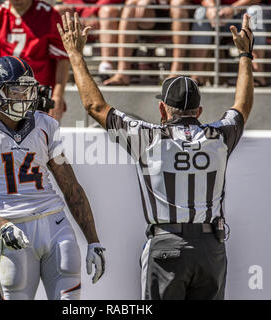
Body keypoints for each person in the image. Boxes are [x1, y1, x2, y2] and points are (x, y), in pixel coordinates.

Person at [58, 12, 253, 299]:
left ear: (163, 110)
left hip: (167, 244)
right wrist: (245, 55)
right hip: (211, 246)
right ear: (198, 111)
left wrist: (75, 53)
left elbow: (94, 106)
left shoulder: (148, 137)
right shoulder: (219, 136)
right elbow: (243, 106)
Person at [0, 56, 105, 300]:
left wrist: (93, 241)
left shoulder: (45, 124)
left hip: (56, 225)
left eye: (27, 89)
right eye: (15, 90)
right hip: (13, 227)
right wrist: (2, 225)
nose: (23, 97)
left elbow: (71, 186)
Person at [0, 0, 69, 121]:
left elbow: (62, 59)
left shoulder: (48, 14)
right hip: (6, 93)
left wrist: (57, 95)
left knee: (40, 136)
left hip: (38, 92)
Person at [103, 0, 193, 85]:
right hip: (153, 12)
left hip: (183, 11)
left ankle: (176, 72)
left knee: (178, 4)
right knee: (131, 4)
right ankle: (123, 73)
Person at [190, 0, 265, 86]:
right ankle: (197, 76)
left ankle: (257, 75)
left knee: (255, 11)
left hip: (244, 9)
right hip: (218, 12)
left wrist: (233, 9)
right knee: (201, 12)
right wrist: (211, 7)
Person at [54, 0, 125, 77]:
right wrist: (86, 12)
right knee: (58, 10)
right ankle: (61, 64)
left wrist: (91, 12)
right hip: (79, 9)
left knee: (107, 11)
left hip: (106, 9)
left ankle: (106, 65)